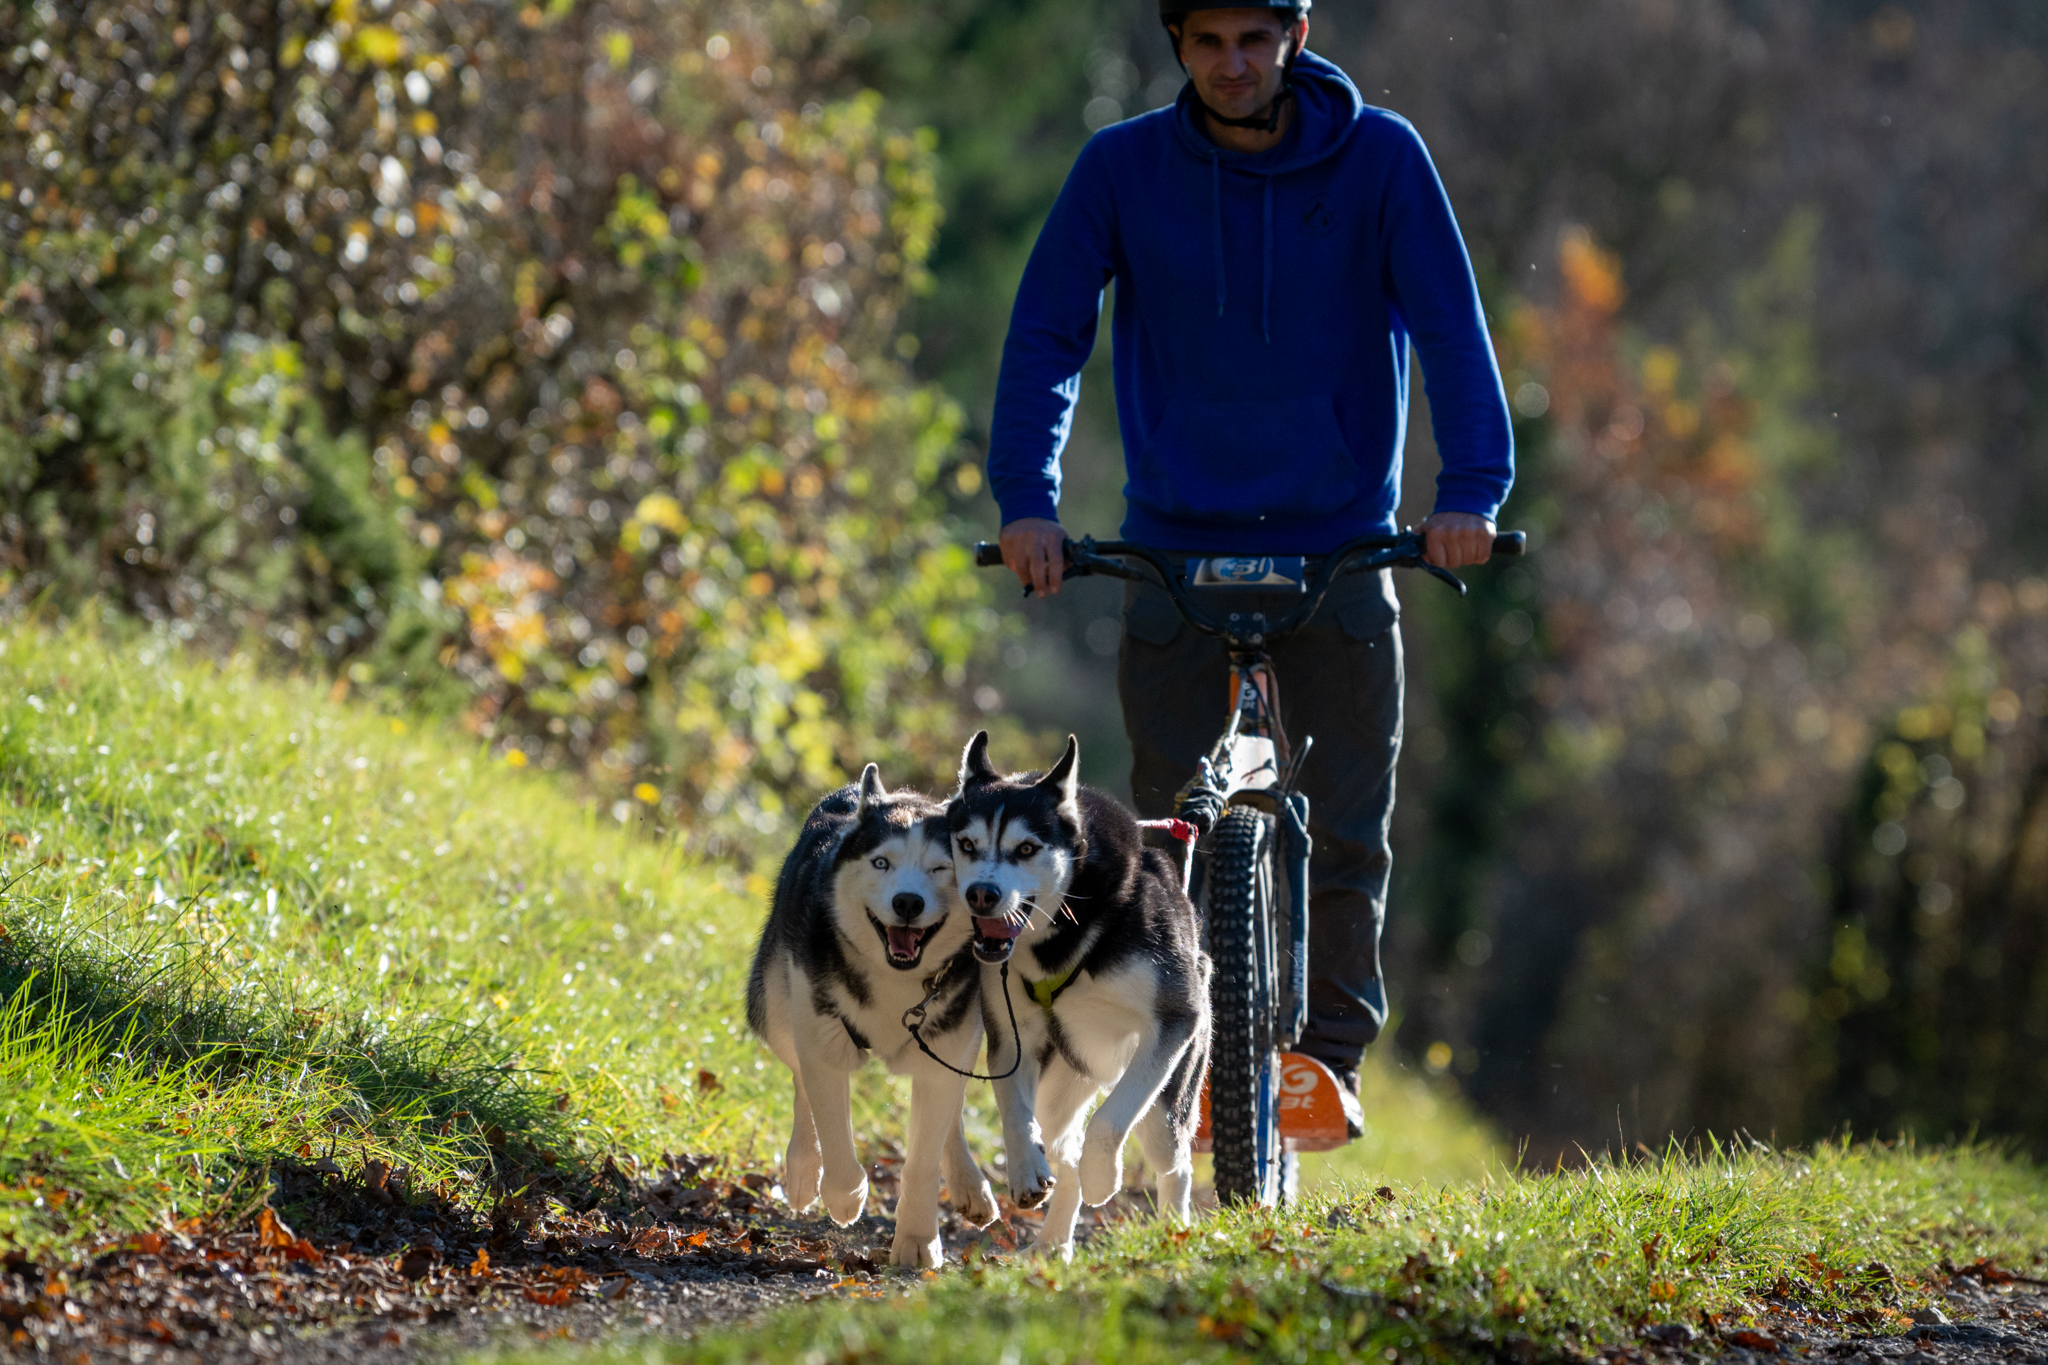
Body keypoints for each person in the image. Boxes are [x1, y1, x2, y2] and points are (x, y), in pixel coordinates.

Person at [983, 0, 1513, 1130]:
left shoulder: (1381, 160)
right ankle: (1178, 1057)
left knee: (1348, 819)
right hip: (1175, 538)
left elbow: (1451, 331)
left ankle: (1326, 1058)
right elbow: (1045, 339)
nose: (1233, 64)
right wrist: (1028, 503)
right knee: (1162, 834)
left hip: (1339, 538)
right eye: (1208, 41)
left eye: (1255, 40)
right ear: (1177, 46)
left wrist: (1469, 494)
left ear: (1297, 38)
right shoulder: (1121, 169)